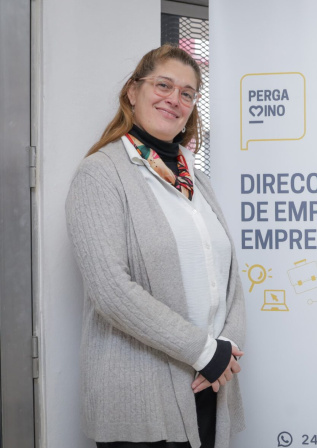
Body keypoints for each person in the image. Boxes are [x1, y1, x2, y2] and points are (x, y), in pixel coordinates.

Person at [66, 45, 246, 448]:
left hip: (211, 381)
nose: (174, 99)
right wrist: (204, 351)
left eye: (187, 93)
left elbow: (228, 276)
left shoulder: (196, 180)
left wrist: (227, 350)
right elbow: (111, 291)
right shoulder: (100, 174)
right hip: (140, 395)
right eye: (163, 85)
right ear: (133, 91)